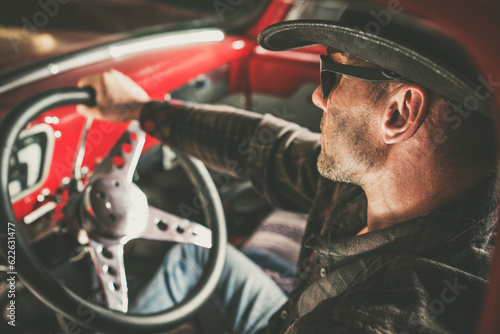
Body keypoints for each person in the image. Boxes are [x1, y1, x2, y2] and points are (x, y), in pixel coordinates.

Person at [77, 2, 498, 333]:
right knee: (194, 255)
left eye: (333, 74)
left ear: (399, 113)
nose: (318, 97)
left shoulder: (375, 318)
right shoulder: (384, 181)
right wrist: (143, 110)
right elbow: (268, 152)